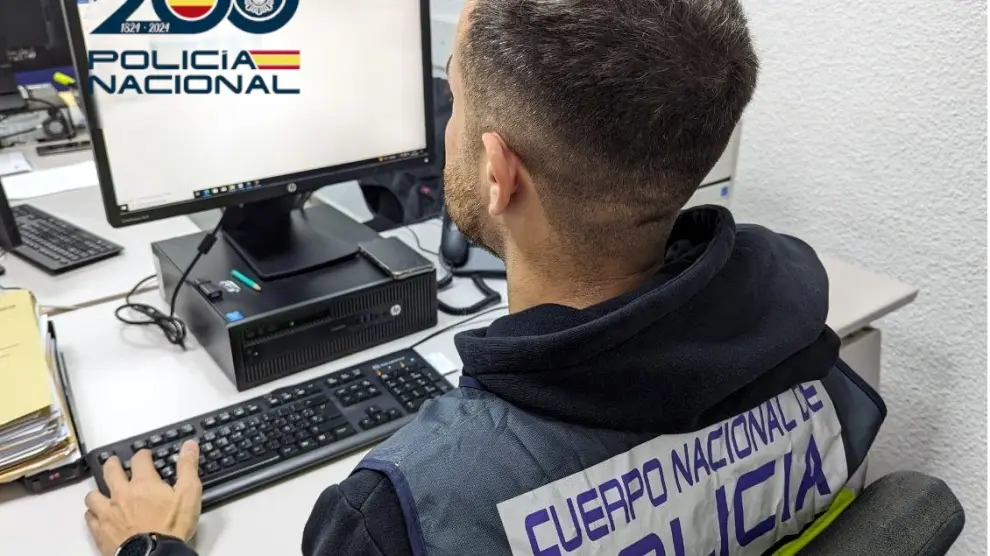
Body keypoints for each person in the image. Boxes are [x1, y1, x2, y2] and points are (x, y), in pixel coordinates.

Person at [83, 0, 886, 555]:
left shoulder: (405, 515)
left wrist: (150, 547)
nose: (448, 122)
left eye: (456, 97)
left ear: (499, 173)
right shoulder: (812, 351)